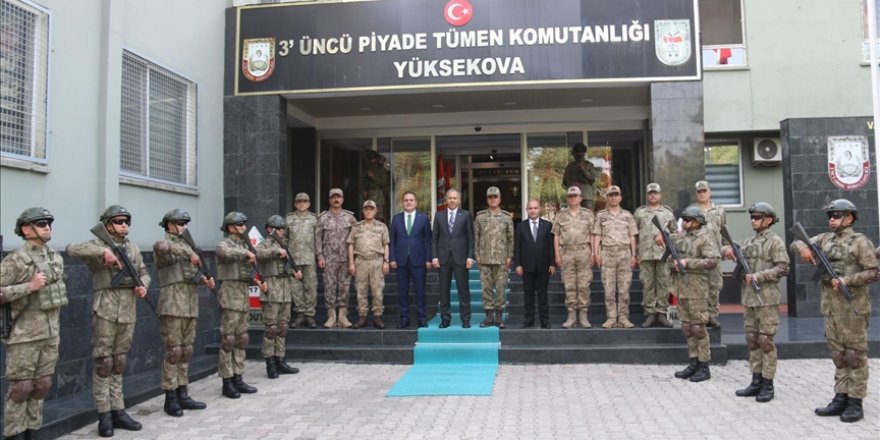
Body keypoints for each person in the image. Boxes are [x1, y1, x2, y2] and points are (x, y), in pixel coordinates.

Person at [791, 199, 878, 423]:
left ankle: (855, 402)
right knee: (838, 355)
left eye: (837, 215)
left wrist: (848, 280)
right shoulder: (823, 238)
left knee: (854, 355)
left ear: (849, 218)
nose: (832, 219)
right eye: (830, 216)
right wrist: (803, 248)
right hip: (830, 308)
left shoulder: (861, 242)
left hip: (853, 308)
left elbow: (874, 272)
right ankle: (840, 397)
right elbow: (796, 242)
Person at [67, 205, 149, 437]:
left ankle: (119, 411)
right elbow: (72, 248)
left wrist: (144, 285)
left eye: (126, 221)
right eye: (118, 221)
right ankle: (104, 414)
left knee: (119, 361)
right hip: (105, 310)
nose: (124, 225)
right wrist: (102, 252)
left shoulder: (132, 247)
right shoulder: (97, 244)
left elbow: (144, 272)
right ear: (107, 225)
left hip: (127, 311)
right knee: (104, 363)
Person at [1, 208, 66, 440]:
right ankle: (14, 434)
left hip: (49, 334)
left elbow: (55, 299)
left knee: (42, 385)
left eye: (49, 222)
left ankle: (32, 432)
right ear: (26, 229)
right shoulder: (15, 260)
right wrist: (29, 287)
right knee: (21, 389)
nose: (47, 226)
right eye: (41, 223)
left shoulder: (56, 258)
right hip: (23, 336)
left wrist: (56, 333)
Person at [722, 202, 789, 403]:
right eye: (751, 217)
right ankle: (756, 380)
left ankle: (768, 384)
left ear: (768, 219)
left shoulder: (775, 241)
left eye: (757, 217)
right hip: (750, 299)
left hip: (766, 299)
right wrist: (728, 249)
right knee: (752, 340)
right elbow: (733, 249)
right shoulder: (750, 241)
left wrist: (759, 276)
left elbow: (784, 268)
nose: (753, 220)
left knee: (766, 342)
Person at [152, 209, 213, 417]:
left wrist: (204, 278)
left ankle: (183, 392)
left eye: (186, 223)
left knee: (186, 351)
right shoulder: (166, 244)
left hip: (189, 304)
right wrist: (190, 253)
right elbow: (162, 247)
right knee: (173, 351)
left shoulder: (188, 246)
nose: (183, 226)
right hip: (172, 304)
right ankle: (170, 397)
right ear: (169, 225)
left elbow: (190, 274)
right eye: (179, 223)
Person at [658, 205, 719, 383]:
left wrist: (688, 263)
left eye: (687, 220)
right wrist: (674, 264)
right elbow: (670, 258)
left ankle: (704, 365)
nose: (684, 223)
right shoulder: (680, 238)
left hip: (698, 288)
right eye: (683, 220)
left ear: (697, 222)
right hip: (682, 287)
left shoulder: (705, 238)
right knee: (686, 326)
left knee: (698, 327)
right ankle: (693, 362)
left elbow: (712, 261)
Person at [214, 212, 261, 398]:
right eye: (240, 224)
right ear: (231, 227)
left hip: (242, 294)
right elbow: (223, 253)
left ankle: (238, 377)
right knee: (228, 339)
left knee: (241, 338)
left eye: (244, 224)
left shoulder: (244, 244)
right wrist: (246, 253)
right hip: (230, 294)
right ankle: (227, 381)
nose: (244, 227)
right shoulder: (225, 243)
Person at [255, 215, 301, 378]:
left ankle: (280, 360)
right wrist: (277, 251)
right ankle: (270, 364)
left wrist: (294, 272)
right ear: (269, 229)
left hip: (284, 290)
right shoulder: (265, 244)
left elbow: (286, 267)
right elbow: (258, 254)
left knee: (282, 328)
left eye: (283, 228)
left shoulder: (285, 245)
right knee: (270, 329)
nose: (281, 231)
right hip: (271, 291)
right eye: (278, 228)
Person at [592, 185, 638, 329]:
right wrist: (596, 253)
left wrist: (633, 254)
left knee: (624, 289)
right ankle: (611, 317)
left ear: (620, 197)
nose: (613, 197)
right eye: (611, 195)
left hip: (624, 253)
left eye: (616, 195)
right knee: (609, 289)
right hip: (608, 254)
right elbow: (597, 235)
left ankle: (623, 317)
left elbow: (632, 236)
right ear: (607, 197)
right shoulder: (601, 215)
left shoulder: (628, 215)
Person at [552, 186, 595, 329]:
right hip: (567, 253)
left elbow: (594, 235)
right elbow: (556, 236)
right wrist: (557, 255)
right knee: (569, 285)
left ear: (581, 198)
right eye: (570, 196)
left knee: (584, 285)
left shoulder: (588, 215)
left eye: (575, 196)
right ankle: (571, 316)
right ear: (567, 198)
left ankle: (583, 315)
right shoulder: (561, 215)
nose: (573, 198)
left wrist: (594, 253)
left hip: (584, 251)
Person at [633, 183, 675, 328]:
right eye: (650, 193)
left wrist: (665, 235)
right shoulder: (639, 213)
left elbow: (676, 233)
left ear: (660, 195)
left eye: (655, 193)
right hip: (645, 254)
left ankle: (662, 313)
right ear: (647, 195)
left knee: (663, 284)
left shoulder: (668, 213)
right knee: (647, 284)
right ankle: (650, 313)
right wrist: (634, 253)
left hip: (663, 255)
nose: (653, 195)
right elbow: (634, 234)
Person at [389, 191, 432, 328]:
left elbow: (428, 240)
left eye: (411, 200)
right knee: (402, 292)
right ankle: (404, 319)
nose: (408, 202)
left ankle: (422, 318)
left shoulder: (423, 218)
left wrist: (428, 258)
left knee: (420, 291)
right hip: (401, 261)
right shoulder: (396, 219)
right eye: (406, 200)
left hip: (419, 260)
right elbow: (392, 240)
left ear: (416, 202)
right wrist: (392, 258)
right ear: (403, 203)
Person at [432, 188, 474, 328]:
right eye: (449, 198)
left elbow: (470, 238)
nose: (452, 200)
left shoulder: (466, 215)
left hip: (461, 258)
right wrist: (434, 257)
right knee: (444, 291)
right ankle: (445, 320)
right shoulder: (438, 216)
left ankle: (466, 319)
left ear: (459, 200)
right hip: (443, 258)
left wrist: (470, 257)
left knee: (463, 290)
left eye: (454, 198)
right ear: (446, 200)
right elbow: (434, 239)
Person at [316, 188, 358, 328]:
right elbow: (317, 238)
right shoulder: (322, 218)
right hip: (329, 258)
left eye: (338, 197)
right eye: (333, 197)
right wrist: (320, 256)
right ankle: (331, 316)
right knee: (329, 286)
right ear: (329, 200)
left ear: (342, 199)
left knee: (345, 287)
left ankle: (343, 316)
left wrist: (354, 258)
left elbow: (356, 238)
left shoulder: (350, 218)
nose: (336, 199)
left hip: (346, 258)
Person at [474, 186, 514, 328]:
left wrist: (510, 256)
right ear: (487, 199)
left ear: (500, 199)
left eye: (495, 197)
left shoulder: (506, 217)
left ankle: (499, 318)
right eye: (490, 197)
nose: (493, 199)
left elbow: (510, 238)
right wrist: (477, 255)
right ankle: (489, 317)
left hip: (501, 259)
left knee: (501, 288)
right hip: (484, 259)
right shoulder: (480, 217)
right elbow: (476, 238)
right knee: (486, 288)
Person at [347, 200, 390, 329]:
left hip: (377, 261)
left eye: (371, 209)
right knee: (361, 290)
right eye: (366, 209)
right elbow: (350, 244)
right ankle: (362, 317)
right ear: (363, 211)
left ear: (375, 211)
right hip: (361, 261)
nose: (369, 211)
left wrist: (386, 261)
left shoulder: (382, 226)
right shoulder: (357, 227)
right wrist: (351, 263)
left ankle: (378, 316)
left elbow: (386, 244)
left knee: (377, 291)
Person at [513, 199, 556, 328]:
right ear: (527, 210)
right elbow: (517, 247)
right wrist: (518, 264)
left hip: (543, 266)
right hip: (526, 266)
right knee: (528, 295)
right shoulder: (520, 226)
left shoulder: (547, 225)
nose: (533, 210)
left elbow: (551, 246)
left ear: (540, 209)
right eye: (530, 208)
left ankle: (544, 321)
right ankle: (528, 320)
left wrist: (552, 264)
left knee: (543, 294)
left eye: (535, 208)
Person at [284, 192, 319, 329]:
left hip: (309, 258)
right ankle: (300, 314)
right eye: (299, 201)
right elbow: (284, 238)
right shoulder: (289, 219)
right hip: (294, 259)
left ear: (309, 204)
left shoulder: (314, 219)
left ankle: (309, 315)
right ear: (295, 204)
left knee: (310, 288)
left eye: (304, 201)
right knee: (296, 289)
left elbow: (318, 239)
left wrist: (319, 255)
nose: (302, 204)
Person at [694, 180, 726, 328]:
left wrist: (726, 248)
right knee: (698, 287)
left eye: (704, 191)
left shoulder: (719, 210)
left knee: (714, 286)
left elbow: (724, 231)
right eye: (699, 191)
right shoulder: (691, 211)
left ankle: (712, 315)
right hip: (697, 256)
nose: (702, 194)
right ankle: (701, 315)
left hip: (714, 254)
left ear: (709, 192)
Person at [562, 143, 599, 209]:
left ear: (583, 153)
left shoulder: (589, 165)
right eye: (577, 153)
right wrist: (573, 184)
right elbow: (565, 181)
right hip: (573, 195)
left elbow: (593, 179)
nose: (578, 155)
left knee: (587, 216)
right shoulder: (570, 166)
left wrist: (584, 170)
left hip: (586, 195)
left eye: (581, 153)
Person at [363, 151, 390, 223]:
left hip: (378, 195)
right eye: (370, 159)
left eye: (373, 159)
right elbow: (361, 182)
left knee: (378, 216)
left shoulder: (381, 170)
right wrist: (363, 191)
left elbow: (384, 183)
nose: (372, 161)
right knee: (368, 214)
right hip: (369, 195)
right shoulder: (366, 169)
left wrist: (373, 177)